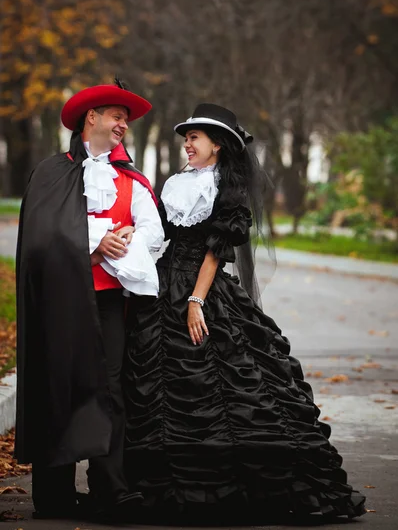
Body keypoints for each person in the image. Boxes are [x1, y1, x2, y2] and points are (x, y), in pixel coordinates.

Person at [123, 103, 366, 524]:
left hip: (204, 289)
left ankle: (248, 488)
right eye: (186, 138)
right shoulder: (175, 183)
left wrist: (196, 302)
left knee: (230, 379)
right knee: (160, 383)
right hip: (164, 287)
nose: (187, 144)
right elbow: (160, 231)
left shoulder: (225, 186)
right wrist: (133, 233)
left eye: (194, 138)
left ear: (217, 144)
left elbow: (218, 250)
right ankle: (166, 487)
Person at [15, 79, 164, 521]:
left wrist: (130, 241)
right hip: (61, 300)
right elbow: (44, 236)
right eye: (116, 115)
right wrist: (97, 241)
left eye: (126, 118)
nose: (123, 123)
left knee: (110, 391)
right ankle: (55, 494)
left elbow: (154, 232)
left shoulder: (131, 179)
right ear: (91, 118)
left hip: (108, 301)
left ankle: (111, 490)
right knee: (59, 384)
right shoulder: (50, 171)